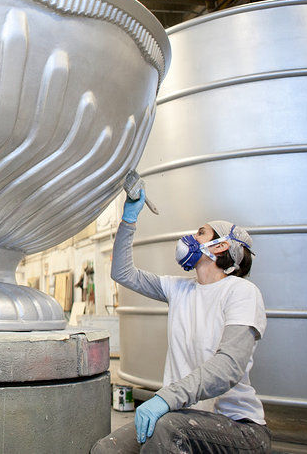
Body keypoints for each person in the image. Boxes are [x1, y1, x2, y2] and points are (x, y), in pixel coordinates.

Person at [91, 190, 271, 453]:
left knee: (168, 430)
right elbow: (122, 272)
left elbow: (229, 367)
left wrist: (166, 398)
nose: (191, 237)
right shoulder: (179, 289)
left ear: (220, 246)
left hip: (240, 429)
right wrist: (128, 219)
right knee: (107, 449)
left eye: (201, 233)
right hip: (181, 418)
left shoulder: (242, 292)